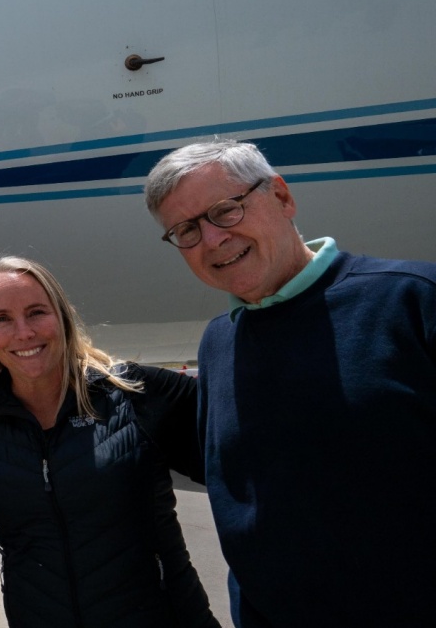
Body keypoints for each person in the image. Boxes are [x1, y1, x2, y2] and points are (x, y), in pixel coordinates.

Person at [145, 139, 436, 627]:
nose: (212, 239)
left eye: (225, 210)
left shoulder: (411, 303)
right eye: (186, 230)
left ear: (281, 197)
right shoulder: (219, 344)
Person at [0, 256, 217, 628]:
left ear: (63, 318)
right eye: (2, 319)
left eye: (37, 312)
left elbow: (259, 471)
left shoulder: (135, 394)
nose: (23, 333)